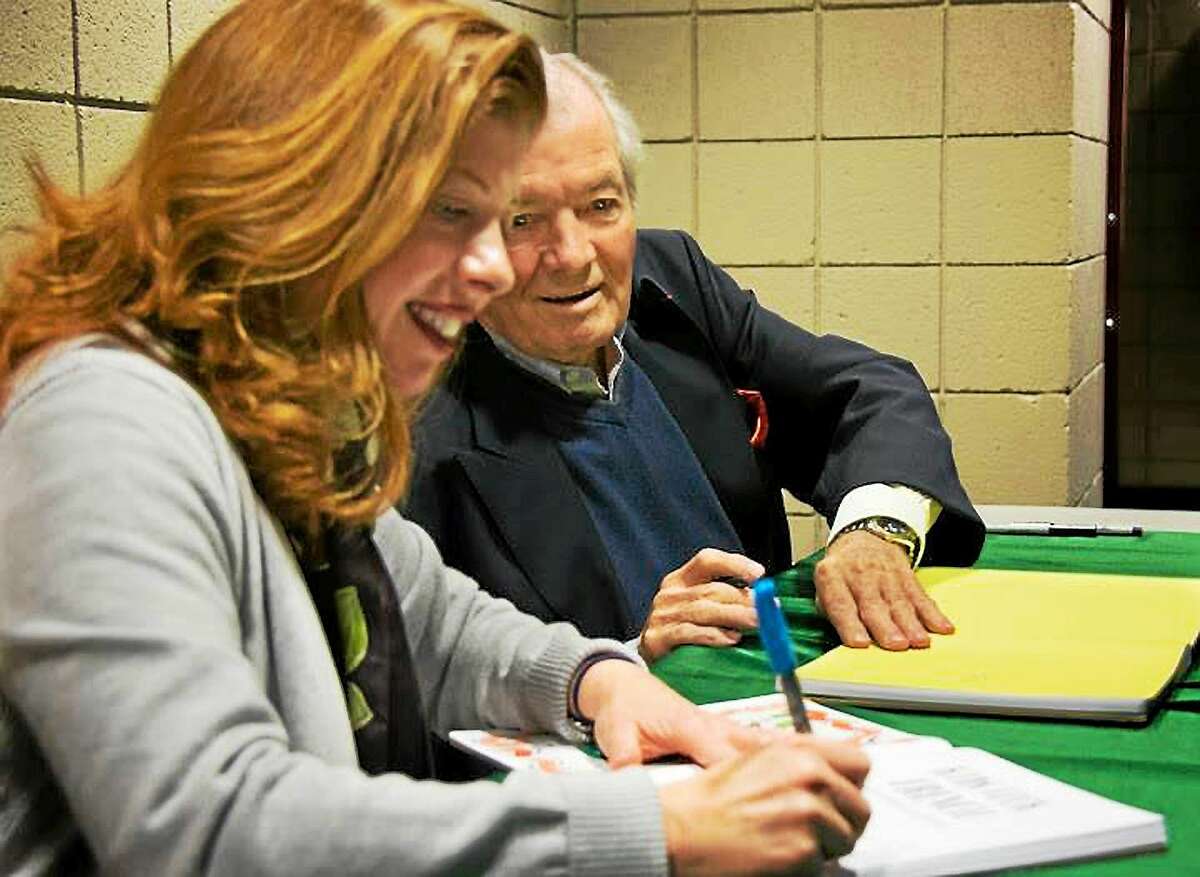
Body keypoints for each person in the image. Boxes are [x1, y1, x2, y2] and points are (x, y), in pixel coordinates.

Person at [0, 2, 872, 874]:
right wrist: (660, 831)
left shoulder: (274, 405)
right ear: (291, 199)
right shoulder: (102, 423)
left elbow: (433, 621)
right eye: (452, 210)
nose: (496, 265)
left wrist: (594, 680)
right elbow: (208, 829)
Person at [406, 52, 987, 662]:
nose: (574, 255)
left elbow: (869, 390)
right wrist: (629, 658)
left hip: (781, 692)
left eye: (601, 206)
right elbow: (432, 694)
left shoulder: (671, 279)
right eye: (522, 220)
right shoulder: (416, 416)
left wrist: (875, 531)